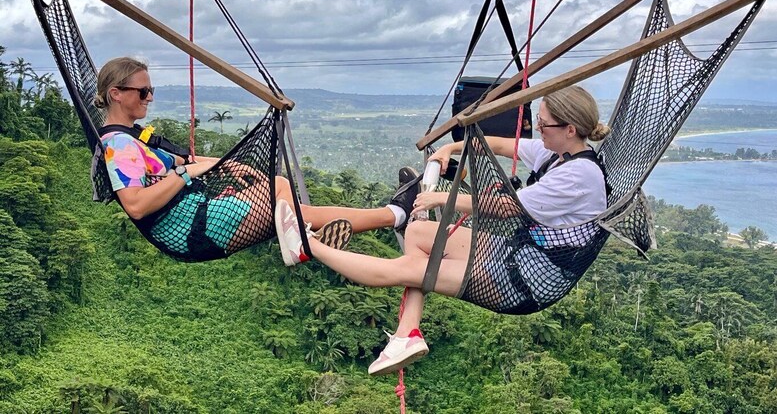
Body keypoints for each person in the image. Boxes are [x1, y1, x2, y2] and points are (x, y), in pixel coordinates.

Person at [274, 85, 611, 375]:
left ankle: (307, 247)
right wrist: (451, 148)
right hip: (521, 252)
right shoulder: (559, 154)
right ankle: (408, 333)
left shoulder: (578, 175)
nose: (538, 129)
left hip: (527, 279)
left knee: (409, 269)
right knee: (420, 235)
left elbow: (507, 207)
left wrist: (442, 197)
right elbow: (499, 145)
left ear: (570, 129)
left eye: (544, 123)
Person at [94, 57, 421, 258]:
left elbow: (184, 162)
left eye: (151, 91)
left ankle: (378, 219)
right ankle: (383, 218)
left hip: (193, 217)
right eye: (142, 92)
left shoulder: (132, 137)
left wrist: (230, 165)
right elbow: (136, 205)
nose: (149, 98)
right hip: (191, 229)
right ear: (116, 94)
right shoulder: (118, 145)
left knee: (285, 197)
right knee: (282, 195)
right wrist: (183, 176)